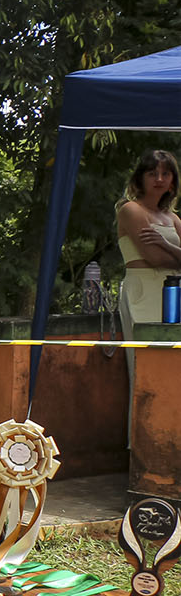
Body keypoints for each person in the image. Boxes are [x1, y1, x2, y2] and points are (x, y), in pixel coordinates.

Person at [117, 150, 181, 425]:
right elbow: (152, 259)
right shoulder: (131, 210)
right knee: (145, 362)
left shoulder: (173, 218)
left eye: (165, 173)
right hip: (143, 290)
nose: (159, 179)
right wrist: (175, 255)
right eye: (152, 173)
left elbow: (160, 253)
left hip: (174, 290)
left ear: (173, 180)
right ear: (140, 178)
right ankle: (143, 436)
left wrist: (165, 244)